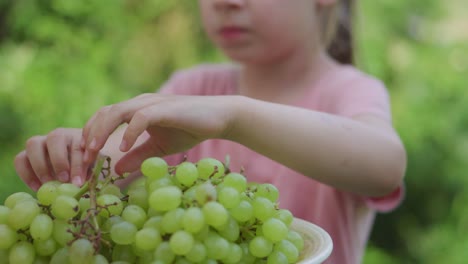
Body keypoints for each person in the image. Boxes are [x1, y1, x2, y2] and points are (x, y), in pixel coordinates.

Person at [14, 0, 407, 263]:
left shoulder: (349, 90)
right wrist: (75, 152)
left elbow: (384, 165)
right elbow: (106, 163)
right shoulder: (194, 88)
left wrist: (234, 117)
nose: (224, 2)